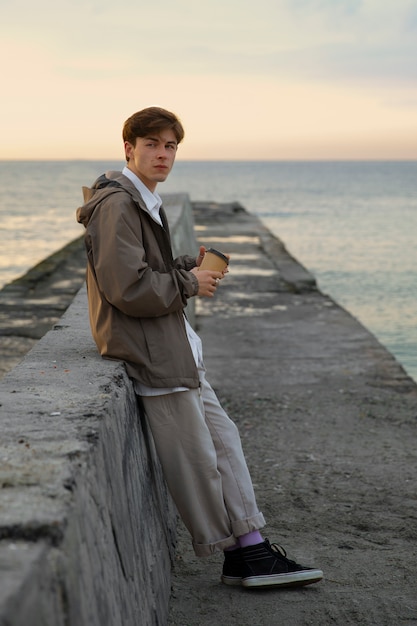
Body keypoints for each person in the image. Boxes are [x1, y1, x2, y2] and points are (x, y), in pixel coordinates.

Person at [76, 106, 323, 589]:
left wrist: (186, 262)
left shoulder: (145, 199)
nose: (163, 154)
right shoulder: (118, 205)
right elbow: (126, 288)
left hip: (174, 346)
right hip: (149, 352)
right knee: (196, 459)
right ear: (129, 148)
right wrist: (188, 281)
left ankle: (251, 547)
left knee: (224, 442)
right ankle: (239, 556)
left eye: (170, 146)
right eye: (152, 144)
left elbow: (148, 266)